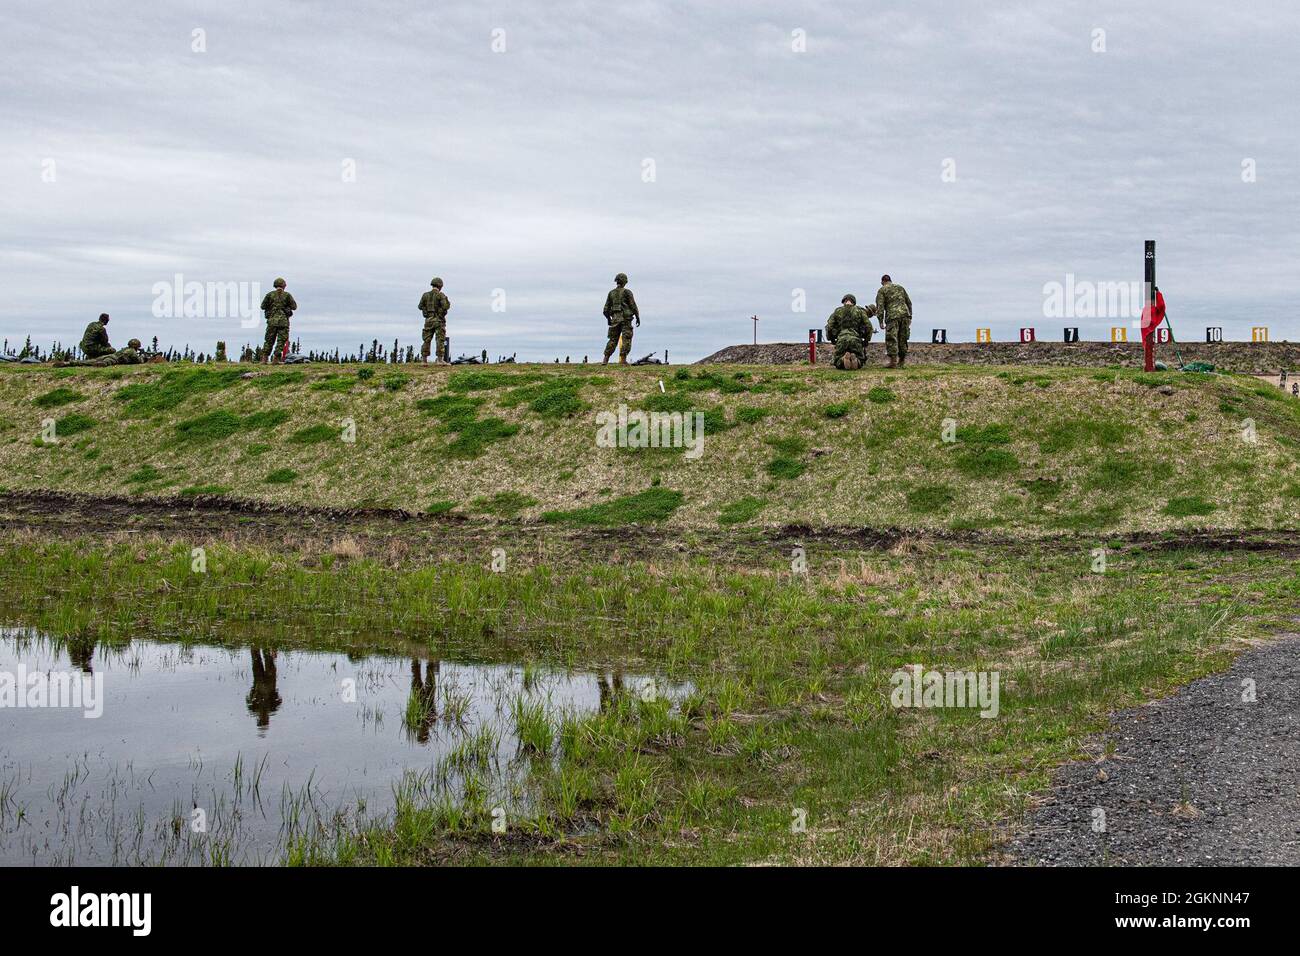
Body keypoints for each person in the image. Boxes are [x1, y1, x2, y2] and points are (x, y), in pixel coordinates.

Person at [825, 294, 876, 369]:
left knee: (837, 360)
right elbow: (869, 327)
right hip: (855, 340)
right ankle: (857, 361)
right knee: (861, 359)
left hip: (841, 339)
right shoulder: (860, 311)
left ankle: (843, 360)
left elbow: (829, 327)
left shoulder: (837, 311)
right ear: (854, 302)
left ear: (843, 301)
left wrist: (831, 339)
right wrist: (866, 340)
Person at [874, 274, 913, 368]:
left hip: (892, 316)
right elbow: (909, 302)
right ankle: (902, 361)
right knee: (903, 338)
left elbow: (880, 307)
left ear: (882, 282)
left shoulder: (882, 290)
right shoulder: (900, 288)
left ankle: (893, 362)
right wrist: (910, 316)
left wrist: (880, 321)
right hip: (905, 315)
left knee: (892, 338)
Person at [602, 272, 640, 365]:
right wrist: (638, 316)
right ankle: (623, 360)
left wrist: (609, 319)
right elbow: (633, 305)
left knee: (612, 339)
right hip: (626, 319)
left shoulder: (611, 293)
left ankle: (605, 359)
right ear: (624, 281)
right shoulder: (627, 292)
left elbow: (605, 309)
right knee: (626, 338)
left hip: (615, 319)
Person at [260, 277, 296, 363]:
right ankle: (276, 359)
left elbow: (262, 306)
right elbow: (294, 307)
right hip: (283, 322)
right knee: (281, 340)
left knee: (269, 340)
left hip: (272, 321)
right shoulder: (287, 295)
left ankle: (264, 359)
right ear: (284, 285)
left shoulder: (269, 295)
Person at [418, 277, 451, 363]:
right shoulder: (441, 295)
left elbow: (420, 306)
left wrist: (426, 312)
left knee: (426, 339)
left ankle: (424, 360)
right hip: (439, 321)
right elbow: (445, 306)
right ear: (440, 286)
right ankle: (440, 359)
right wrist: (441, 313)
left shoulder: (425, 295)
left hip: (428, 320)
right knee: (440, 339)